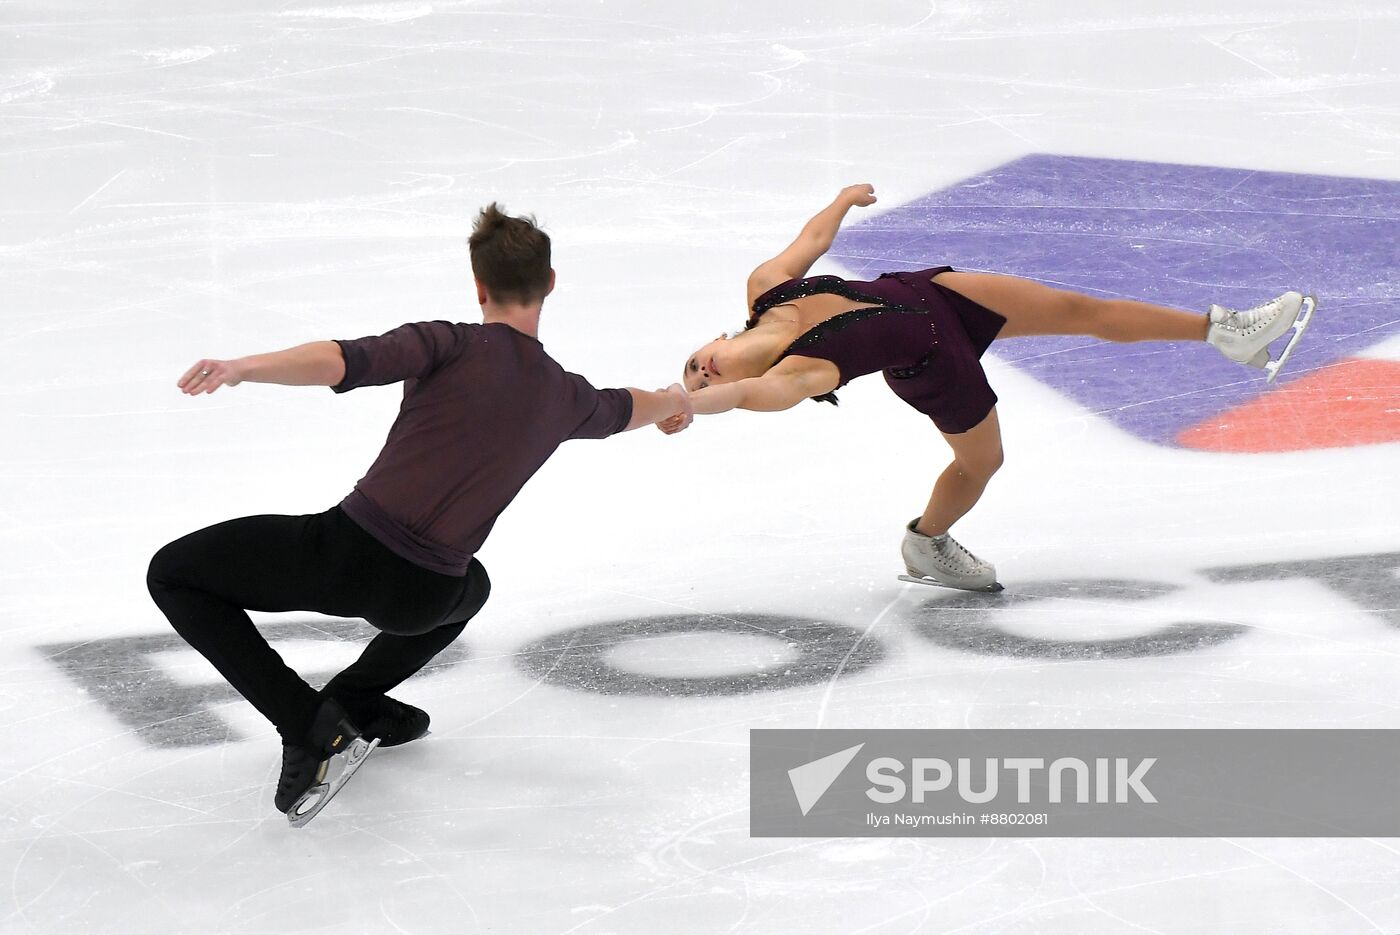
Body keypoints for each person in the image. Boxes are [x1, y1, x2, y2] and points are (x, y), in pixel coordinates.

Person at [147, 204, 693, 822]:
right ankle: (353, 703)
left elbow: (343, 359)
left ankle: (306, 723)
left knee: (173, 572)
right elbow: (629, 407)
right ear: (550, 283)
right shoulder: (566, 395)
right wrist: (677, 401)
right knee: (473, 585)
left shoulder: (448, 343)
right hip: (426, 596)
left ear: (478, 286)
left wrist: (245, 367)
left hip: (345, 555)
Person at [669, 183, 1313, 592]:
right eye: (702, 380)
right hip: (932, 361)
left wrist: (840, 201)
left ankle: (1228, 331)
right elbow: (747, 398)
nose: (705, 372)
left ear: (711, 340)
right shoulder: (797, 374)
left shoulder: (766, 288)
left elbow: (809, 241)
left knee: (1075, 309)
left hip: (932, 295)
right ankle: (927, 541)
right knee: (983, 462)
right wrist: (688, 402)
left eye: (695, 364)